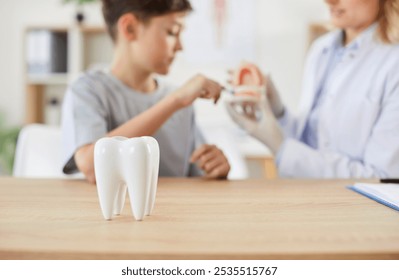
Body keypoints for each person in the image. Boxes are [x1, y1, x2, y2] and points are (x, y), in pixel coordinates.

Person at [62, 0, 230, 183]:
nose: (180, 46)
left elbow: (198, 172)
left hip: (174, 210)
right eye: (172, 32)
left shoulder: (181, 101)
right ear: (130, 28)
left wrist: (215, 166)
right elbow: (91, 166)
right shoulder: (88, 91)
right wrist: (174, 102)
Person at [226, 0, 399, 178]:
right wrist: (277, 112)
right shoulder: (322, 50)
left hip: (356, 204)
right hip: (309, 196)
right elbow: (312, 144)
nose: (329, 1)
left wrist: (280, 147)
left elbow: (382, 178)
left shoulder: (394, 62)